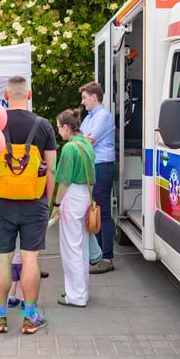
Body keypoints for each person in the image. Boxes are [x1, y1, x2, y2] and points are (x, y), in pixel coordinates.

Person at [0, 76, 57, 334]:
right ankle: (30, 317)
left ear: (6, 96)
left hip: (1, 202)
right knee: (30, 259)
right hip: (33, 202)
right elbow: (51, 169)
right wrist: (48, 202)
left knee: (2, 260)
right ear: (29, 95)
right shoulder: (43, 125)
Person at [51, 108, 95, 307]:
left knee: (71, 248)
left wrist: (56, 204)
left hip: (72, 195)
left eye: (59, 127)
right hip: (85, 195)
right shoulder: (86, 144)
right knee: (82, 247)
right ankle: (81, 291)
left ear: (67, 127)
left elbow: (64, 181)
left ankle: (75, 295)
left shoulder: (70, 148)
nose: (58, 131)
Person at [79, 81, 116, 273]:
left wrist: (79, 141)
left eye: (85, 98)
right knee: (96, 211)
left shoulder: (103, 116)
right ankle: (101, 255)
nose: (83, 102)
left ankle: (107, 258)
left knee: (103, 213)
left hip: (102, 166)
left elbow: (87, 141)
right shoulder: (90, 117)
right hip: (95, 167)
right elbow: (80, 138)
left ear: (94, 97)